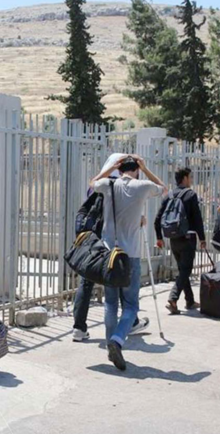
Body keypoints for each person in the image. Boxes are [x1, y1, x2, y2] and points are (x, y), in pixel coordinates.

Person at [92, 155, 166, 371]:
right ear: (137, 169)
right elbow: (163, 188)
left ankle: (110, 345)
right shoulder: (142, 186)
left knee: (110, 303)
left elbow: (92, 182)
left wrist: (110, 170)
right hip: (130, 254)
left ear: (119, 169)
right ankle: (117, 340)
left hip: (109, 253)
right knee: (131, 305)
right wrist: (146, 167)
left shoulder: (108, 184)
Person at [72, 154, 150, 342]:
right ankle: (129, 324)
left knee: (87, 281)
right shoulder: (117, 185)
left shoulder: (101, 183)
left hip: (92, 241)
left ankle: (79, 328)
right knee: (121, 280)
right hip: (111, 241)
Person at [154, 167, 206, 314]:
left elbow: (157, 218)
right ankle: (173, 298)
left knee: (183, 269)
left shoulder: (169, 195)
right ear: (184, 178)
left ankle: (190, 300)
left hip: (173, 238)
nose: (191, 180)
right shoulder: (191, 195)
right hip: (188, 238)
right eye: (190, 177)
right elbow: (197, 218)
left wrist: (159, 237)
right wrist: (202, 238)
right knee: (186, 270)